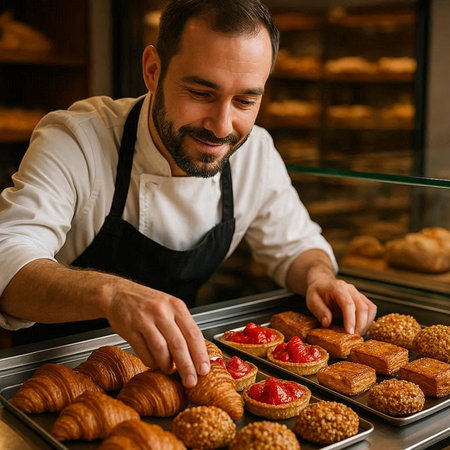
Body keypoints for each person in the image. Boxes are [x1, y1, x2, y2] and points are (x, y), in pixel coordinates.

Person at [0, 0, 376, 388]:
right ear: (152, 70)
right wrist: (112, 294)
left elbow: (297, 246)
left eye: (245, 100)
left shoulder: (255, 152)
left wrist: (318, 278)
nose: (221, 126)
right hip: (53, 376)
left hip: (178, 376)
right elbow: (7, 259)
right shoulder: (78, 139)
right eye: (200, 93)